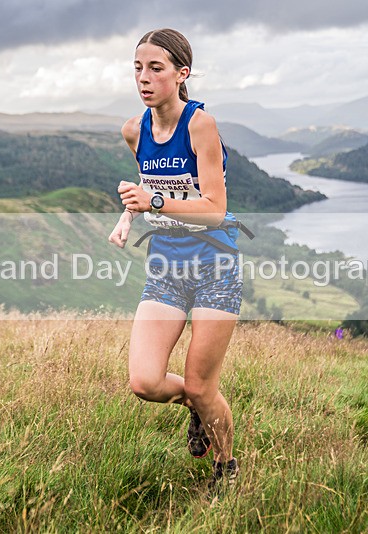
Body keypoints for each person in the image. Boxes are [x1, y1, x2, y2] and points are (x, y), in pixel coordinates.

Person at [108, 28, 242, 491]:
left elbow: (215, 209)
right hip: (166, 266)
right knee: (145, 382)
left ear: (182, 74)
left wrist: (154, 202)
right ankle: (198, 407)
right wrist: (129, 214)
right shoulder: (134, 130)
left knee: (203, 384)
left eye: (156, 68)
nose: (143, 78)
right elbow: (153, 186)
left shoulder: (200, 125)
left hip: (214, 267)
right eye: (137, 68)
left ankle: (225, 468)